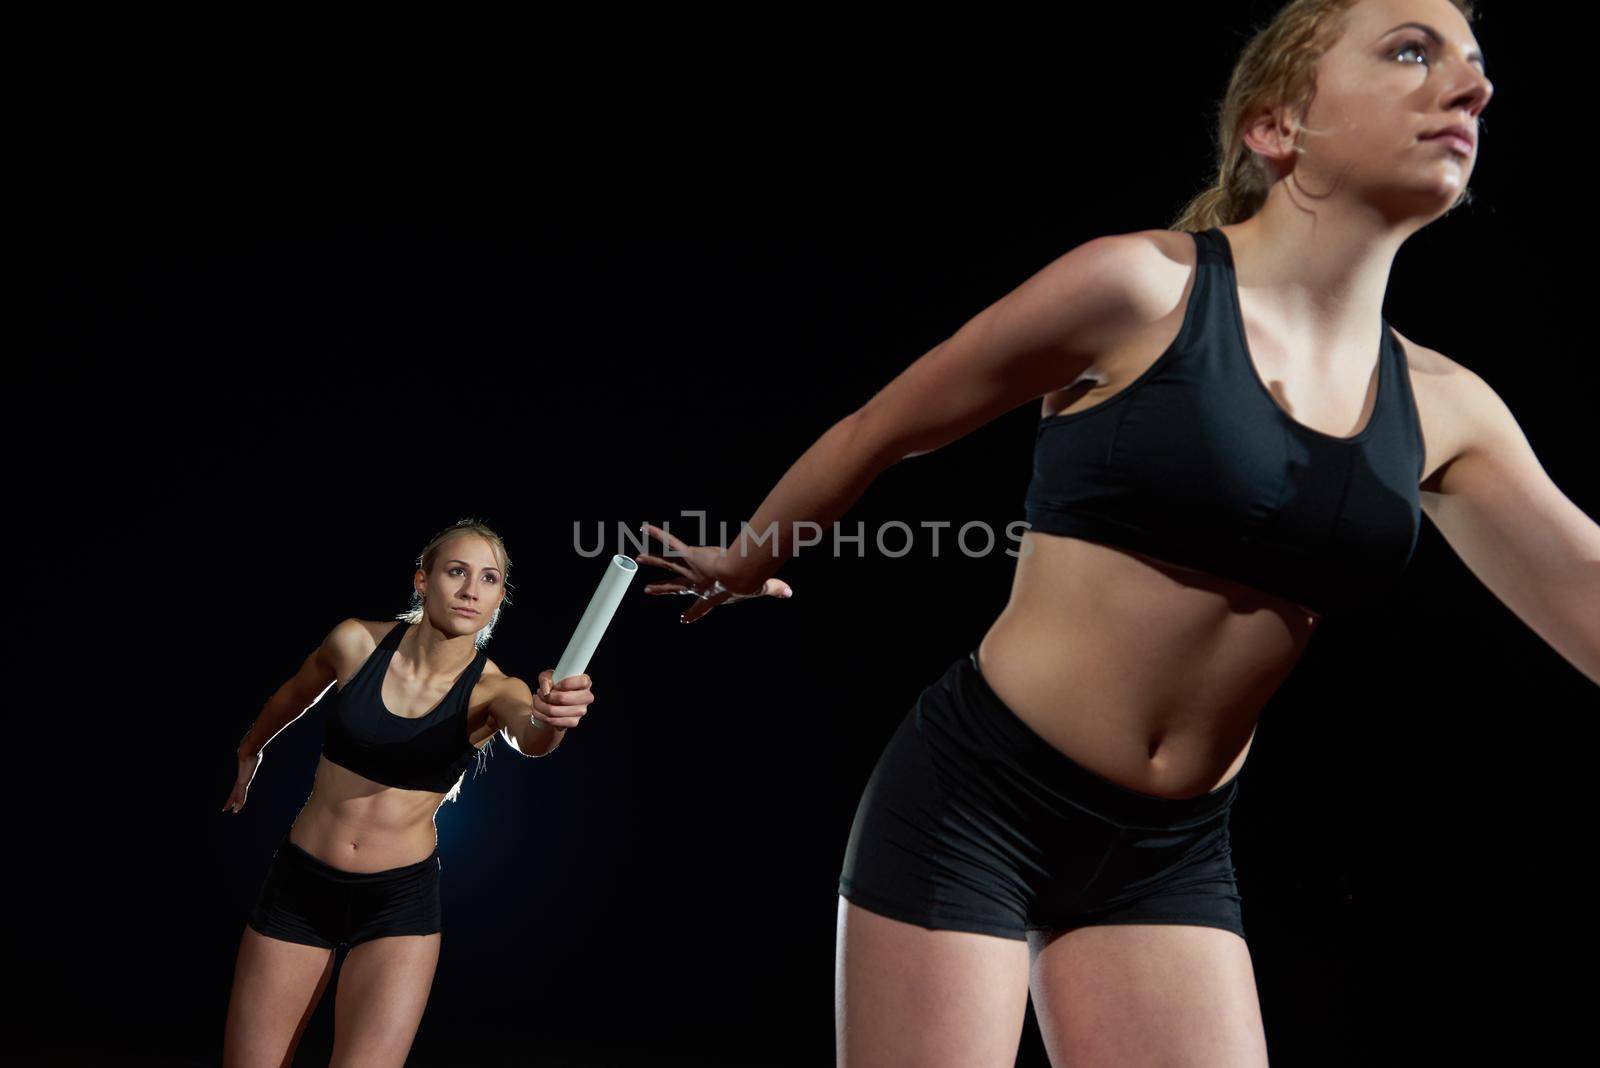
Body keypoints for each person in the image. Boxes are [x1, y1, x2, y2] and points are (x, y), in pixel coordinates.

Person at [635, 1, 1600, 1063]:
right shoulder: (1142, 288)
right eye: (1409, 52)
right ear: (1276, 127)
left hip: (1170, 853)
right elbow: (882, 429)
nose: (1470, 86)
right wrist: (752, 554)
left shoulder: (1449, 408)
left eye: (1473, 63)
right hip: (975, 803)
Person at [219, 519, 596, 1068]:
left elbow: (532, 736)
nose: (471, 589)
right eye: (457, 572)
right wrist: (251, 748)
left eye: (489, 579)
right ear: (423, 580)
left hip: (397, 908)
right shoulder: (354, 642)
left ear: (497, 601)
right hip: (300, 890)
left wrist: (556, 719)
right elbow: (290, 696)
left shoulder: (497, 689)